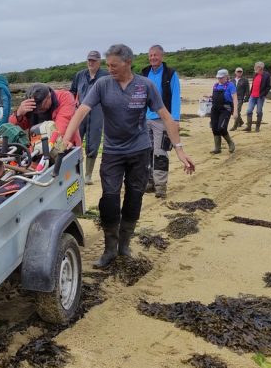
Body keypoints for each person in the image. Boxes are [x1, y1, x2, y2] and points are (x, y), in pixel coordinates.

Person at [63, 44, 195, 268]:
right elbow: (82, 111)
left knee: (135, 197)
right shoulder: (103, 84)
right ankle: (109, 249)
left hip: (139, 151)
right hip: (113, 152)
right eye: (108, 65)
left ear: (128, 63)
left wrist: (179, 149)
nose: (110, 68)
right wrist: (67, 138)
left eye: (114, 65)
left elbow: (166, 116)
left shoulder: (145, 86)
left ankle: (124, 245)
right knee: (109, 199)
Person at [140, 45, 181, 198]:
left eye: (155, 55)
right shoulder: (145, 73)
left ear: (162, 56)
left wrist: (175, 119)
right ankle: (149, 182)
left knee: (160, 152)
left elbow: (176, 95)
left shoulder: (171, 74)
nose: (153, 58)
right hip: (145, 119)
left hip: (162, 120)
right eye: (150, 55)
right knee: (146, 152)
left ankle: (161, 187)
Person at [70, 50, 108, 184]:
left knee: (93, 142)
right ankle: (76, 173)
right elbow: (72, 92)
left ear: (99, 62)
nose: (91, 63)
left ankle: (88, 175)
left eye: (93, 60)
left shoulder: (106, 76)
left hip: (98, 112)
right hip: (80, 113)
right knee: (75, 142)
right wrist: (72, 105)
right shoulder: (80, 75)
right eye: (89, 60)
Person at [9, 83, 81, 146]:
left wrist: (46, 147)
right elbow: (12, 128)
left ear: (49, 96)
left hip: (63, 144)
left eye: (41, 108)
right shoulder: (30, 104)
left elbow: (62, 127)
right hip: (37, 144)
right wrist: (18, 114)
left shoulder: (65, 97)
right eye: (35, 111)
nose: (38, 112)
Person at [209, 69, 237, 154]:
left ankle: (230, 143)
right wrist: (210, 96)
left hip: (226, 109)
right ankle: (217, 148)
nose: (219, 79)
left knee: (221, 127)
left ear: (226, 77)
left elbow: (235, 98)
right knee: (214, 128)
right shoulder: (215, 85)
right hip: (215, 109)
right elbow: (215, 96)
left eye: (221, 78)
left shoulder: (230, 85)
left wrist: (235, 111)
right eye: (218, 78)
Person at [243, 61, 271, 132]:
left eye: (256, 67)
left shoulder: (266, 75)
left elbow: (268, 87)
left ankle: (257, 127)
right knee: (249, 111)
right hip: (252, 96)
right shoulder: (255, 74)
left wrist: (263, 95)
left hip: (260, 97)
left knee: (259, 111)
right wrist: (249, 94)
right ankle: (249, 127)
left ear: (260, 68)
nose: (254, 68)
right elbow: (253, 85)